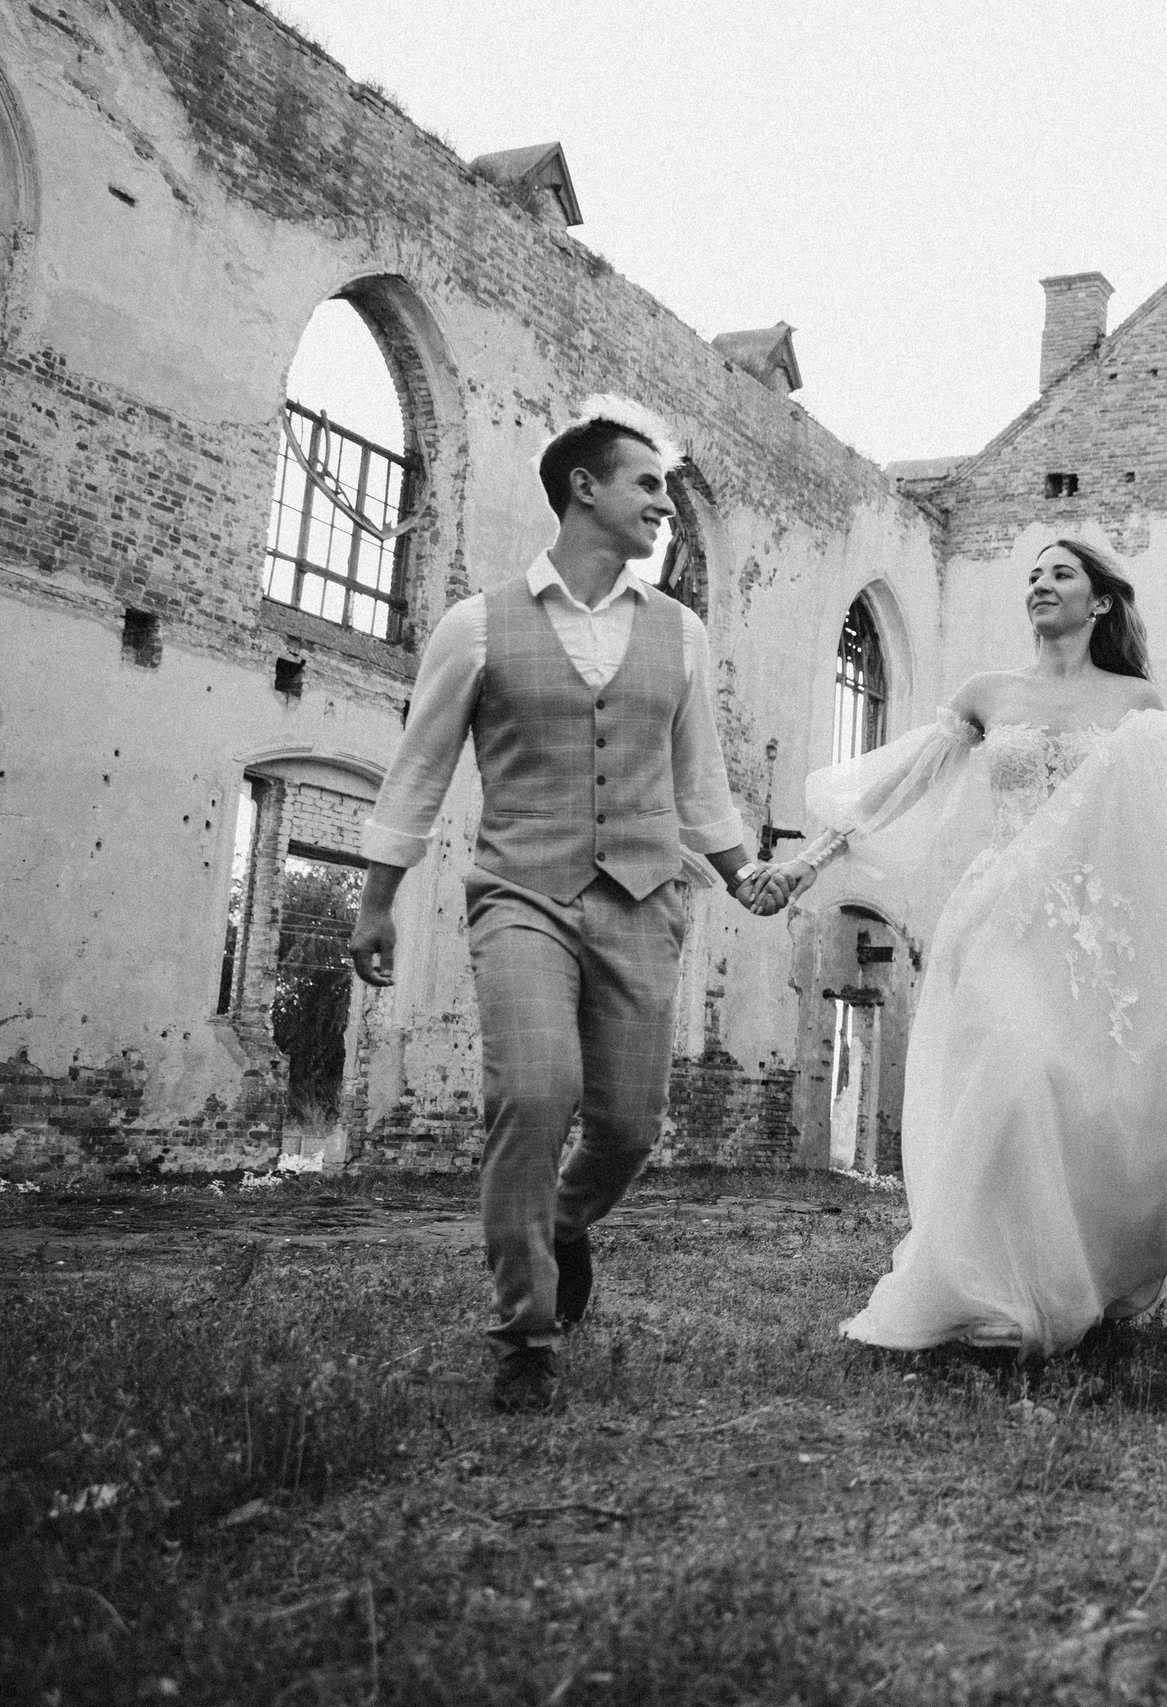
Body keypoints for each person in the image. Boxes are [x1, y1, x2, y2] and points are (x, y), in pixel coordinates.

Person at [347, 397, 792, 1414]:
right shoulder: (478, 623)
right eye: (647, 486)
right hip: (521, 895)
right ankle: (525, 1337)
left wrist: (739, 874)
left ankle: (557, 1223)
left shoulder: (679, 633)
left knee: (630, 1127)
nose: (662, 508)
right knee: (533, 1096)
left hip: (643, 898)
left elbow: (702, 781)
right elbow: (417, 772)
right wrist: (376, 902)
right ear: (582, 488)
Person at [768, 538, 1167, 1356]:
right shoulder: (988, 693)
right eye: (1032, 575)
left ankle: (1078, 1272)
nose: (1040, 585)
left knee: (1088, 1103)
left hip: (1092, 928)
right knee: (1012, 1073)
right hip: (1001, 919)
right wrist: (809, 860)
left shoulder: (1137, 703)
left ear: (1099, 602)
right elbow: (905, 782)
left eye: (1061, 574)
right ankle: (989, 1290)